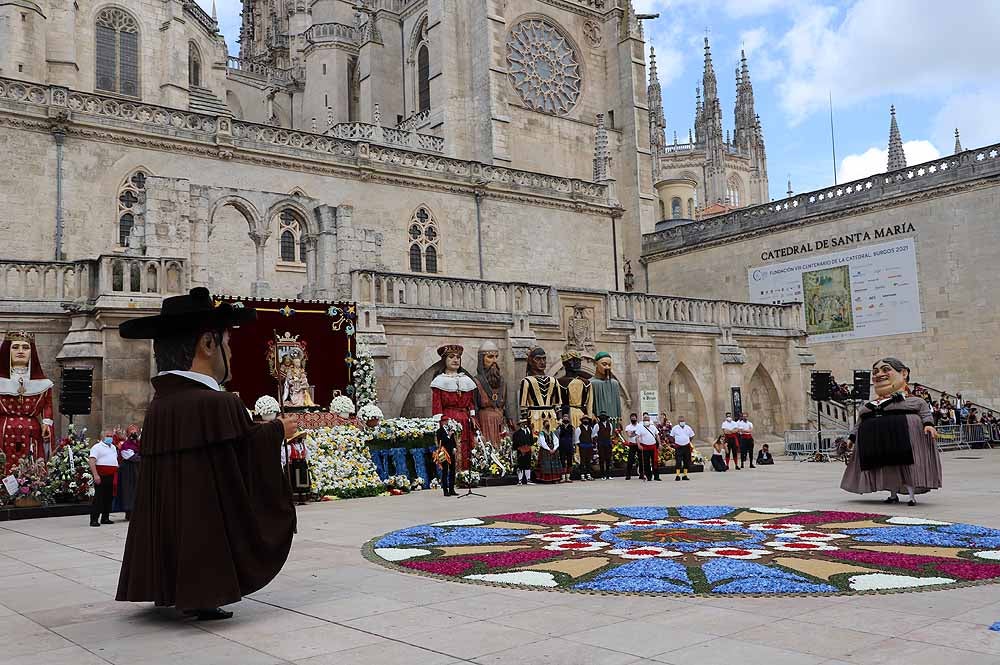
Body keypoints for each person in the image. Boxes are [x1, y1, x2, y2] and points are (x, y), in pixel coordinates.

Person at [116, 287, 298, 621]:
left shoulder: (162, 403)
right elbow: (243, 455)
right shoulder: (217, 402)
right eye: (226, 342)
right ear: (208, 344)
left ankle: (168, 583)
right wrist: (276, 431)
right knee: (200, 517)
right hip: (205, 527)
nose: (230, 349)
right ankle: (203, 589)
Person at [840, 357, 942, 506]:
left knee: (907, 468)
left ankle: (911, 496)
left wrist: (928, 424)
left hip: (904, 440)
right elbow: (860, 421)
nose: (879, 374)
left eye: (886, 369)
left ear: (904, 373)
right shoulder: (870, 405)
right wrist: (852, 437)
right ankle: (893, 495)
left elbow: (925, 413)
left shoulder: (914, 401)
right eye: (875, 372)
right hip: (880, 444)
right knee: (887, 469)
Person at [0, 331, 53, 474]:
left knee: (31, 468)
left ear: (32, 352)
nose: (21, 351)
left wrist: (46, 424)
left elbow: (48, 405)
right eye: (15, 347)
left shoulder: (43, 383)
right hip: (3, 431)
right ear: (7, 351)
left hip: (31, 432)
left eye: (25, 347)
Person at [431, 345, 477, 471]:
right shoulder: (439, 381)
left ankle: (467, 473)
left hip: (465, 420)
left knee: (466, 446)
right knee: (451, 447)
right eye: (451, 357)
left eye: (458, 357)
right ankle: (452, 476)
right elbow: (437, 405)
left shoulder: (466, 380)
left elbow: (471, 403)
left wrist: (472, 416)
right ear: (444, 360)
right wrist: (442, 423)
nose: (455, 360)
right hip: (449, 419)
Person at [473, 341, 511, 449]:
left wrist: (509, 418)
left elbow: (506, 403)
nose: (494, 361)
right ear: (481, 359)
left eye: (496, 357)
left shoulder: (502, 381)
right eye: (490, 357)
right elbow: (474, 406)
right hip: (485, 422)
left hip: (500, 421)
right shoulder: (476, 381)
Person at [88, 434, 119, 527]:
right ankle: (94, 519)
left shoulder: (113, 447)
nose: (110, 437)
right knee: (99, 498)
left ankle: (105, 517)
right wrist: (96, 475)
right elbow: (92, 461)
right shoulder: (97, 447)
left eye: (111, 436)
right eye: (107, 435)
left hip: (112, 475)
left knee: (109, 497)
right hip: (101, 475)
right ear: (102, 437)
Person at [117, 425, 141, 521]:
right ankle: (129, 513)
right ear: (128, 434)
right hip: (128, 471)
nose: (133, 434)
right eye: (131, 432)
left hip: (138, 469)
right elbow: (131, 457)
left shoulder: (139, 443)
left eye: (135, 432)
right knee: (129, 491)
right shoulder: (125, 445)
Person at [536, 416, 562, 483]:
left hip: (553, 449)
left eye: (548, 424)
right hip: (545, 450)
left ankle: (555, 478)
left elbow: (556, 440)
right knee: (546, 465)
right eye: (546, 424)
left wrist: (555, 448)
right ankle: (547, 479)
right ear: (544, 425)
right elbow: (542, 442)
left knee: (554, 465)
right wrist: (548, 449)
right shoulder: (542, 433)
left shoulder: (551, 433)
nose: (547, 425)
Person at [435, 420, 457, 496]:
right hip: (444, 453)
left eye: (447, 421)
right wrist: (448, 436)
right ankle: (445, 490)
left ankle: (452, 489)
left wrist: (454, 447)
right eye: (444, 421)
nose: (446, 422)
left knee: (452, 470)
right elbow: (441, 442)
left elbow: (453, 440)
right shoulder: (439, 431)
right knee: (445, 471)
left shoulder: (450, 429)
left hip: (451, 452)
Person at [636, 413, 660, 481]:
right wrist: (638, 445)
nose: (646, 421)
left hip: (653, 447)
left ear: (649, 420)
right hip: (645, 447)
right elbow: (637, 437)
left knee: (655, 462)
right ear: (643, 421)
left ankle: (656, 476)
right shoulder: (640, 428)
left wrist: (660, 444)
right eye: (645, 420)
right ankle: (649, 476)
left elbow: (657, 435)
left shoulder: (653, 427)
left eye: (647, 419)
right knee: (646, 463)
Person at [670, 416, 695, 481]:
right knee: (678, 461)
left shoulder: (688, 427)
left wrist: (687, 441)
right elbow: (671, 436)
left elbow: (692, 436)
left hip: (686, 446)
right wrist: (675, 442)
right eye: (681, 421)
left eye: (683, 421)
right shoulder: (675, 428)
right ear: (678, 422)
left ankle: (685, 475)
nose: (682, 422)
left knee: (686, 461)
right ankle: (677, 475)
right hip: (678, 447)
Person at [512, 417, 533, 485]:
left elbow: (531, 441)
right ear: (520, 424)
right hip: (520, 451)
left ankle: (528, 479)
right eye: (523, 423)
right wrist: (519, 449)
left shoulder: (529, 431)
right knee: (520, 465)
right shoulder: (517, 433)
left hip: (528, 450)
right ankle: (520, 480)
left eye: (525, 422)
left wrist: (529, 447)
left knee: (528, 465)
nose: (524, 424)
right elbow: (515, 443)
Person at [576, 415, 595, 480]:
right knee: (583, 461)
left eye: (587, 419)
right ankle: (582, 475)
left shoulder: (590, 428)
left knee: (588, 461)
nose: (585, 420)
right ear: (582, 420)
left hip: (589, 446)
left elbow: (592, 436)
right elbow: (577, 439)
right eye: (584, 419)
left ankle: (588, 474)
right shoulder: (579, 428)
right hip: (583, 446)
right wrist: (580, 445)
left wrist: (592, 444)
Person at [557, 414, 576, 483]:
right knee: (562, 462)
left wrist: (574, 446)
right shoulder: (559, 427)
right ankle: (563, 477)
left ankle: (568, 477)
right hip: (562, 446)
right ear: (562, 419)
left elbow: (574, 437)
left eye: (567, 418)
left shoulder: (572, 427)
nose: (565, 419)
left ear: (568, 419)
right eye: (564, 418)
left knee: (569, 461)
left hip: (569, 446)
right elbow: (557, 437)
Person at [595, 412, 614, 480]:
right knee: (602, 459)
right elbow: (594, 435)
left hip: (608, 443)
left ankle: (608, 474)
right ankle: (602, 475)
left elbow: (610, 434)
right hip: (601, 444)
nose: (603, 418)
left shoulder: (610, 425)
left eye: (604, 416)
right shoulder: (597, 425)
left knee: (608, 459)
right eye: (602, 417)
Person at [623, 413, 642, 480]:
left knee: (641, 459)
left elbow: (640, 434)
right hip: (632, 445)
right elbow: (629, 435)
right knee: (630, 460)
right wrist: (636, 433)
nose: (633, 419)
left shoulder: (640, 426)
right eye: (632, 418)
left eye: (634, 418)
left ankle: (641, 474)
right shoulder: (628, 427)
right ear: (630, 419)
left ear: (636, 418)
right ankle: (628, 475)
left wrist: (634, 433)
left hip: (639, 444)